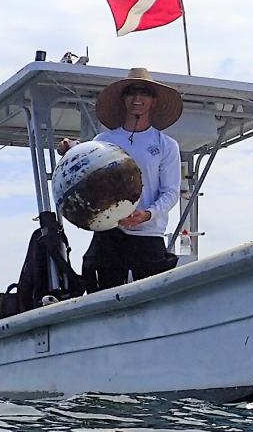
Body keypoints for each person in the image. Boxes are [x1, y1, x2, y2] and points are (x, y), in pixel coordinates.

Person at [60, 67, 183, 292]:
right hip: (110, 232)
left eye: (144, 93)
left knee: (155, 298)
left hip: (149, 233)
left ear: (153, 101)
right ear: (123, 99)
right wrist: (71, 151)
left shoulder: (166, 145)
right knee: (100, 290)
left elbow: (171, 192)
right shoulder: (104, 139)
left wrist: (147, 214)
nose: (138, 98)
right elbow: (91, 168)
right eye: (132, 92)